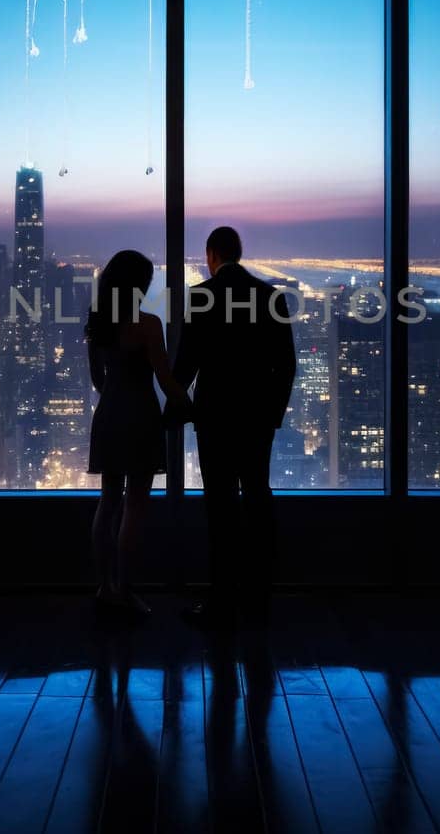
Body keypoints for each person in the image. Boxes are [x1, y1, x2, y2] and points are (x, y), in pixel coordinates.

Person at [174, 226, 297, 627]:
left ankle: (222, 600)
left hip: (214, 419)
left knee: (221, 509)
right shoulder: (271, 297)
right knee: (258, 498)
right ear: (239, 253)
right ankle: (260, 595)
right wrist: (273, 415)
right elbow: (286, 365)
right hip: (257, 418)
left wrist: (176, 403)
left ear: (211, 255)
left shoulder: (201, 297)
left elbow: (188, 362)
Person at [86, 249, 190, 618]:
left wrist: (116, 392)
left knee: (108, 501)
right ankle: (126, 591)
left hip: (110, 414)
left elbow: (98, 379)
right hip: (140, 415)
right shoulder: (147, 324)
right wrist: (190, 404)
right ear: (136, 285)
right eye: (145, 280)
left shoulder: (97, 323)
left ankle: (104, 588)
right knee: (135, 506)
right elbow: (164, 379)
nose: (148, 286)